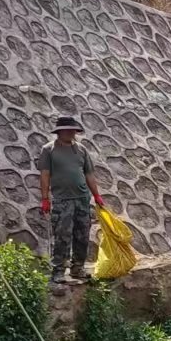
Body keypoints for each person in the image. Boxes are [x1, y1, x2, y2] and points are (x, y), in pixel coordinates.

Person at [37, 115, 104, 285]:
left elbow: (89, 173)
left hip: (82, 198)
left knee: (82, 235)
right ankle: (58, 270)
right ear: (59, 132)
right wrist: (45, 199)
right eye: (67, 130)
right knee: (62, 236)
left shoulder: (81, 150)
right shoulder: (49, 150)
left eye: (73, 130)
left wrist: (96, 195)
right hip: (62, 200)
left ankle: (78, 268)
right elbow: (45, 174)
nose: (70, 133)